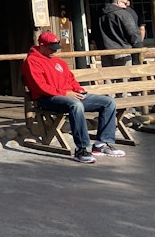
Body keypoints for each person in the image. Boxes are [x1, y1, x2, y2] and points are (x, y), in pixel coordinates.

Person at [22, 31, 125, 163]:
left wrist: (79, 90)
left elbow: (71, 80)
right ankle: (81, 149)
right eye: (51, 48)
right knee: (76, 105)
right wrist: (65, 93)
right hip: (47, 98)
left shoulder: (58, 62)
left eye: (56, 48)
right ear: (41, 45)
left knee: (108, 102)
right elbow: (40, 87)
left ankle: (101, 144)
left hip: (69, 95)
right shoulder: (32, 62)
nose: (54, 51)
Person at [97, 0, 143, 67]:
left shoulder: (100, 15)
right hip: (122, 50)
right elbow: (132, 32)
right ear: (118, 2)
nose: (126, 6)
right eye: (125, 3)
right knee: (124, 76)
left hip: (105, 51)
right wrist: (138, 46)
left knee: (108, 76)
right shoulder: (123, 14)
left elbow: (96, 33)